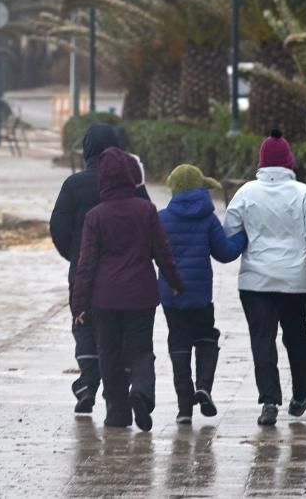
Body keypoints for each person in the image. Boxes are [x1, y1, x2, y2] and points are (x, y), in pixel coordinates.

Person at [224, 130, 306, 426]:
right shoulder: (302, 193)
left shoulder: (245, 192)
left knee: (262, 340)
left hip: (254, 282)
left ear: (261, 162)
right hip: (293, 281)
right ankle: (301, 392)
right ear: (289, 161)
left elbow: (229, 231)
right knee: (296, 337)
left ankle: (268, 402)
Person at [71, 147, 184, 431]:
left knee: (108, 352)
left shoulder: (95, 216)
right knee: (141, 349)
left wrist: (79, 305)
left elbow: (86, 264)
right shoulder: (146, 210)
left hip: (104, 299)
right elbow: (163, 252)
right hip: (141, 295)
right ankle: (142, 393)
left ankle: (117, 413)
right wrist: (175, 283)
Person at [50, 124, 150, 416]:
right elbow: (149, 223)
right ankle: (119, 389)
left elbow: (58, 226)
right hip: (126, 275)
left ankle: (88, 383)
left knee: (84, 325)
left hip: (83, 271)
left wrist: (73, 255)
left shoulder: (74, 185)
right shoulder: (132, 184)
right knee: (119, 334)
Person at [158, 164, 247, 425]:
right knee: (207, 338)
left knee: (178, 343)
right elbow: (226, 252)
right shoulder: (207, 219)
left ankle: (184, 408)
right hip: (200, 295)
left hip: (171, 295)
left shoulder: (162, 219)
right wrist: (243, 237)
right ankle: (204, 387)